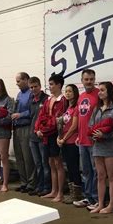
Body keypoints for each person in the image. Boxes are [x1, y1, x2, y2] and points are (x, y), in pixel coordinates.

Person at [89, 81, 113, 214]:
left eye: (102, 90)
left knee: (112, 176)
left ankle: (111, 204)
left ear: (109, 91)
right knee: (100, 176)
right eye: (99, 90)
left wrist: (105, 135)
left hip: (110, 146)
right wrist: (93, 135)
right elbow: (91, 125)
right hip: (98, 146)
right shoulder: (97, 108)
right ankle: (101, 203)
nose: (100, 92)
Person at [34, 74, 67, 202]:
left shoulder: (63, 100)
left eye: (52, 84)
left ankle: (60, 192)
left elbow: (57, 119)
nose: (50, 87)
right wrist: (37, 129)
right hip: (46, 135)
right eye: (49, 84)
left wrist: (44, 129)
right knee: (51, 163)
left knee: (58, 163)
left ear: (59, 85)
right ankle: (53, 190)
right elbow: (41, 115)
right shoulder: (48, 99)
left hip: (55, 134)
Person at [73, 69, 99, 209]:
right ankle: (88, 197)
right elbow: (79, 118)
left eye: (91, 79)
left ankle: (96, 199)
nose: (89, 82)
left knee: (96, 172)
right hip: (82, 141)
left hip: (94, 142)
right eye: (86, 79)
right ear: (82, 80)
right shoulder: (81, 96)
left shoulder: (99, 95)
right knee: (87, 171)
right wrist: (78, 135)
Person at [57, 84, 82, 204]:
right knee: (69, 169)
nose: (67, 93)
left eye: (70, 91)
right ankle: (72, 193)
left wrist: (64, 138)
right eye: (66, 91)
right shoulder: (68, 108)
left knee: (74, 168)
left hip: (72, 142)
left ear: (75, 93)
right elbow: (63, 126)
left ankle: (77, 195)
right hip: (65, 142)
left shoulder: (77, 107)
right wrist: (59, 137)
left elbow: (74, 126)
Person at [12, 72, 36, 193]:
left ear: (26, 80)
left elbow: (32, 111)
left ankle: (31, 183)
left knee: (28, 157)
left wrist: (20, 115)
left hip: (26, 126)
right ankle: (23, 182)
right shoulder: (19, 94)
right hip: (16, 128)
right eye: (16, 81)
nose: (17, 84)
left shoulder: (31, 94)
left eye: (19, 81)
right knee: (19, 157)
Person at [28, 76, 50, 196]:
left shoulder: (46, 99)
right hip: (32, 136)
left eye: (35, 86)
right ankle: (39, 186)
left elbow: (47, 118)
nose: (33, 89)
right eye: (31, 87)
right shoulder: (31, 100)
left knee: (45, 163)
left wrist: (42, 130)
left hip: (42, 136)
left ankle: (47, 187)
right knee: (38, 164)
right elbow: (31, 117)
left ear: (40, 86)